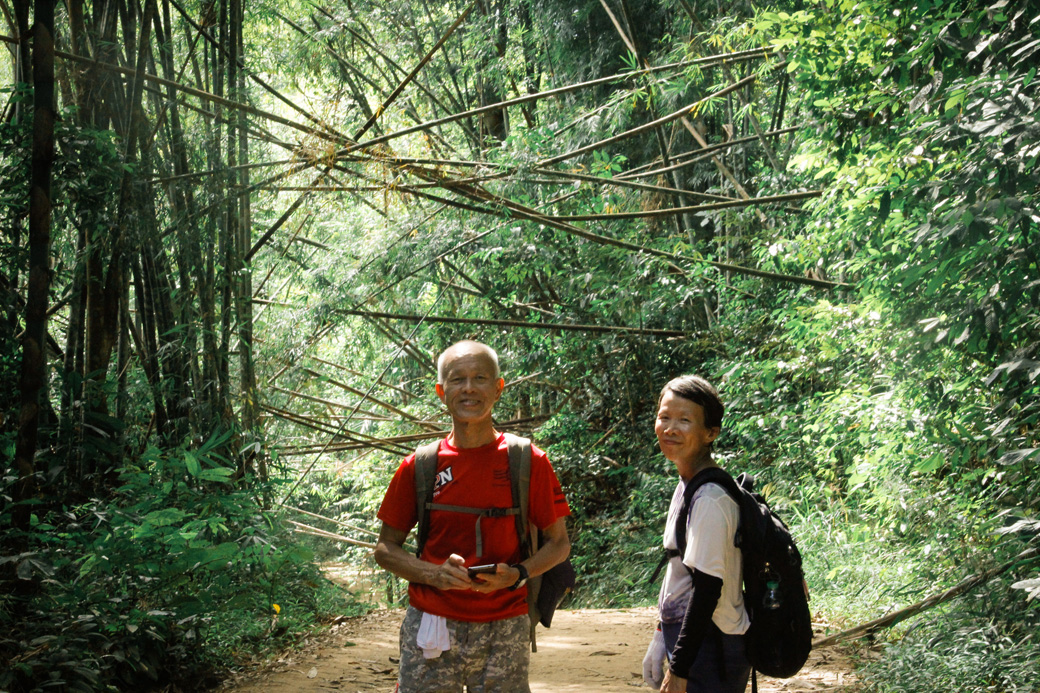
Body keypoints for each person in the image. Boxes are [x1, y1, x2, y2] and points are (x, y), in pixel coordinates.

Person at [374, 339, 571, 693]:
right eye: (457, 379)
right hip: (432, 621)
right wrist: (434, 574)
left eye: (480, 378)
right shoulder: (420, 466)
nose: (468, 388)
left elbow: (559, 544)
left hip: (505, 623)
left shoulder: (528, 462)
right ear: (441, 390)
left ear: (498, 388)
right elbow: (385, 549)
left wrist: (518, 573)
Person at [642, 375, 751, 693]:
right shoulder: (688, 483)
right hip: (697, 641)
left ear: (710, 433)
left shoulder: (710, 499)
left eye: (684, 420)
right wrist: (661, 635)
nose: (670, 428)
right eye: (664, 417)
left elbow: (706, 590)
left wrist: (680, 667)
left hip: (712, 646)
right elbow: (680, 572)